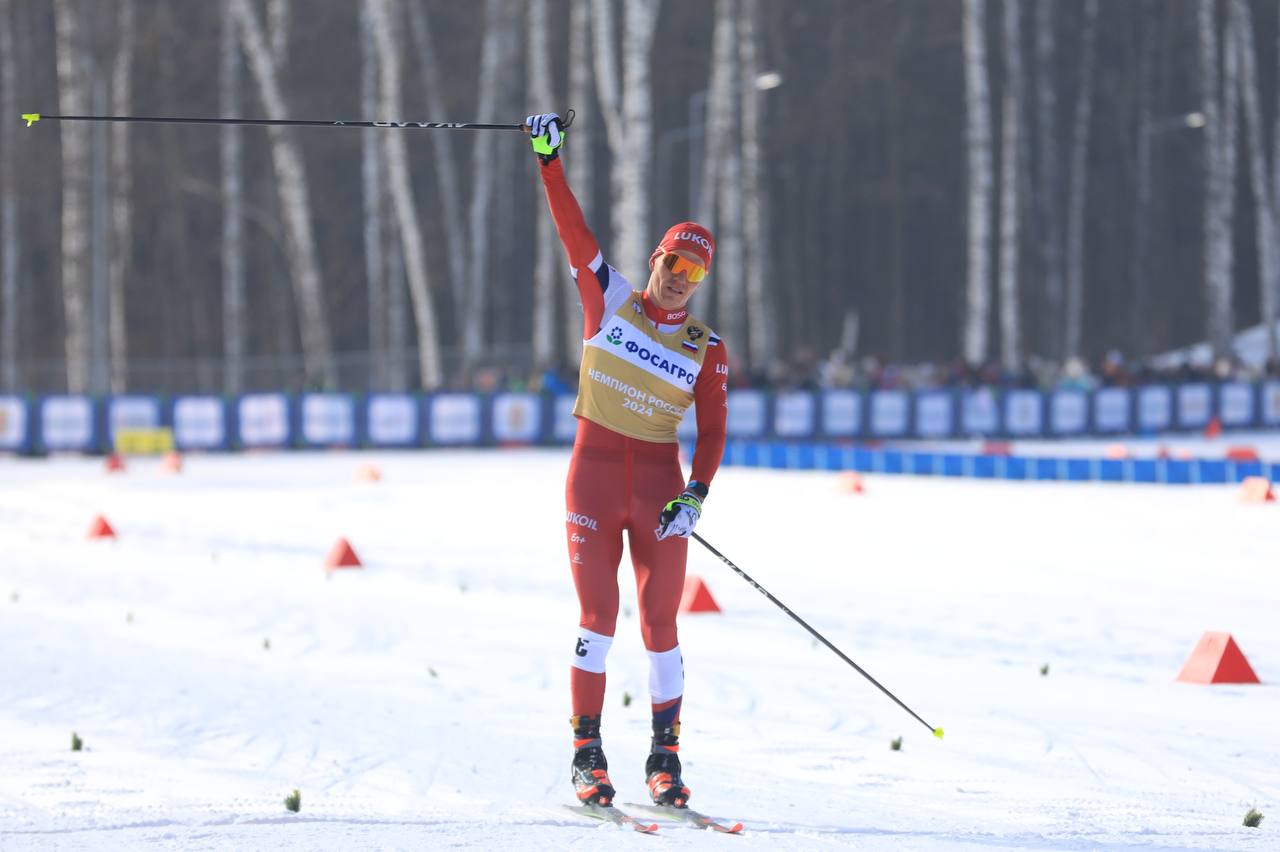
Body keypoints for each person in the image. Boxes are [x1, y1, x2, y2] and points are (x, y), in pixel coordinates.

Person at [525, 113, 729, 810]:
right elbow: (571, 232)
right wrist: (549, 160)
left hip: (660, 491)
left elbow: (714, 429)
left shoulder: (706, 345)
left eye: (693, 271)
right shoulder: (608, 297)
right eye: (674, 264)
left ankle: (664, 758)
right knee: (597, 618)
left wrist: (695, 494)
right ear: (655, 261)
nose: (680, 279)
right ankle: (587, 755)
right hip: (594, 476)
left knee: (661, 624)